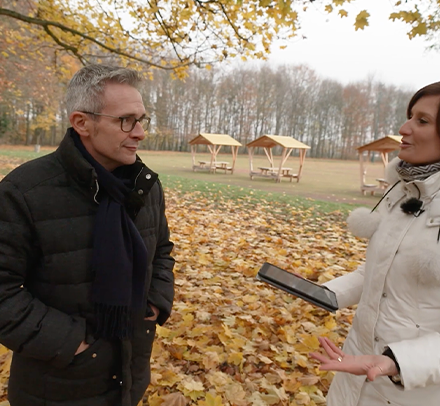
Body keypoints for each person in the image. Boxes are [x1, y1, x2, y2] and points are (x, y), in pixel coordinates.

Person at [0, 64, 175, 406]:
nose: (140, 132)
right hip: (56, 387)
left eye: (142, 119)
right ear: (82, 123)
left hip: (129, 377)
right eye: (126, 120)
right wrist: (72, 343)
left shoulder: (145, 187)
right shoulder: (23, 192)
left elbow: (162, 249)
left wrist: (155, 301)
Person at [310, 82, 440, 406]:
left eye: (422, 121)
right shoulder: (401, 194)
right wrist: (326, 294)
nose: (404, 127)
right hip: (354, 372)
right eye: (410, 116)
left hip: (413, 390)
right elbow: (377, 270)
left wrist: (398, 361)